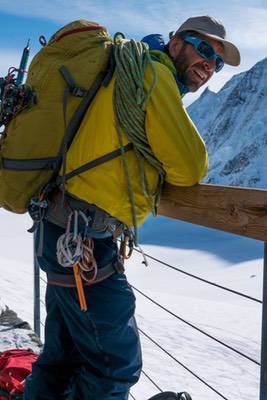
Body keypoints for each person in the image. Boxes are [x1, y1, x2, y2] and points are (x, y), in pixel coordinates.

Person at [24, 15, 240, 400]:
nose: (209, 65)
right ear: (176, 43)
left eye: (217, 62)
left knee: (61, 356)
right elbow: (190, 166)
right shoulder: (152, 74)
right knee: (114, 366)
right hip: (85, 243)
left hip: (59, 230)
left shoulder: (127, 68)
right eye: (204, 50)